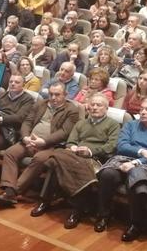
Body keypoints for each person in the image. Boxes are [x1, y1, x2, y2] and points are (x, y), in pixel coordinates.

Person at [35, 93, 120, 229]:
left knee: (56, 161)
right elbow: (70, 141)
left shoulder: (113, 125)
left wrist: (90, 151)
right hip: (75, 155)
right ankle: (45, 201)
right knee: (59, 159)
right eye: (92, 104)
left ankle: (76, 210)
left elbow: (111, 146)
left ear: (106, 108)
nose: (94, 108)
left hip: (94, 158)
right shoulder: (81, 123)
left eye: (99, 105)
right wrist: (73, 147)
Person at [95, 98, 147, 239]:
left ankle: (135, 224)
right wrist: (143, 152)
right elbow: (122, 146)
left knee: (137, 182)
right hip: (124, 159)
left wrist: (136, 162)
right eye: (142, 108)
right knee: (107, 174)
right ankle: (104, 215)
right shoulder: (131, 125)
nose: (143, 112)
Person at [0, 81, 80, 207]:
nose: (53, 97)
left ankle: (13, 192)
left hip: (51, 146)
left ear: (65, 94)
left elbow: (64, 132)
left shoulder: (72, 110)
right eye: (51, 94)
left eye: (57, 94)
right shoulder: (40, 104)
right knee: (10, 153)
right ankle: (9, 188)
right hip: (30, 142)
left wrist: (43, 142)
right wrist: (26, 137)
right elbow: (27, 122)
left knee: (39, 159)